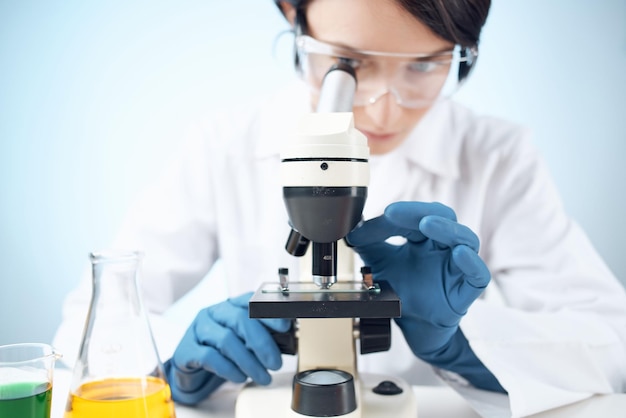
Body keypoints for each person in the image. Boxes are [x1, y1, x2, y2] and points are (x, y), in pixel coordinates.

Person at [54, 0, 626, 416]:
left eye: (425, 66)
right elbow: (90, 325)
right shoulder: (223, 144)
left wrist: (463, 350)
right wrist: (180, 373)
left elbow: (611, 342)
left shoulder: (497, 156)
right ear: (291, 16)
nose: (381, 109)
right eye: (347, 66)